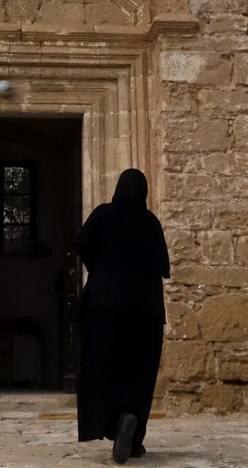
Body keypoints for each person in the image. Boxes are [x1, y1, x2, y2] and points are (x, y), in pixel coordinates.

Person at [73, 168, 170, 464]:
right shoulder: (151, 223)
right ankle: (134, 430)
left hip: (106, 304)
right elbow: (162, 267)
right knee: (139, 371)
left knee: (104, 365)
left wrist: (100, 268)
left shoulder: (103, 215)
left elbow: (80, 245)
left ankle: (115, 424)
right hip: (146, 310)